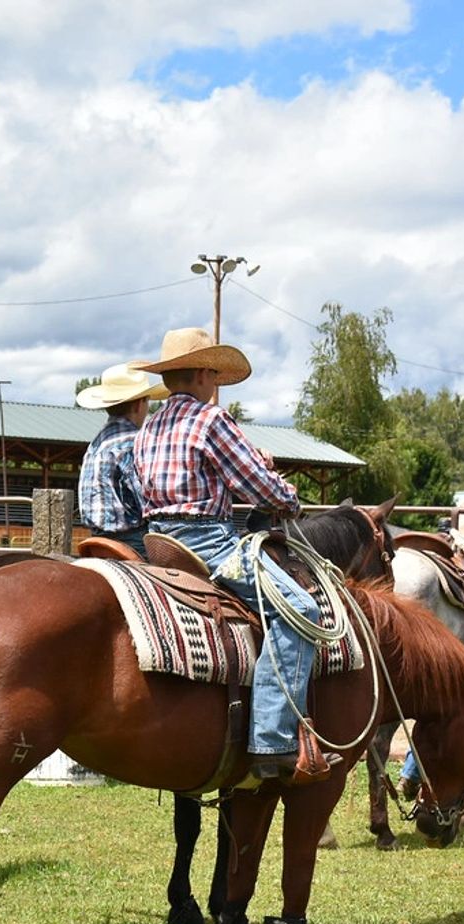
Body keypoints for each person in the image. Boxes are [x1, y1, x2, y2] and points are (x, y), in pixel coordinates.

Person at [134, 327, 342, 782]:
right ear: (207, 372)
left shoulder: (148, 427)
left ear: (171, 377)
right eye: (216, 375)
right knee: (300, 610)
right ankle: (272, 739)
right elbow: (262, 490)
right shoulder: (212, 421)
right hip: (209, 542)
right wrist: (287, 495)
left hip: (158, 541)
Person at [76, 362, 169, 556]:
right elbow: (148, 503)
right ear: (139, 404)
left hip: (96, 538)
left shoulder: (97, 442)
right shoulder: (133, 442)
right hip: (132, 541)